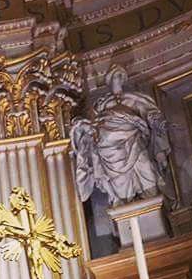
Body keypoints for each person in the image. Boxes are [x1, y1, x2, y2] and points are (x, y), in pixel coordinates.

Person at [70, 64, 174, 206]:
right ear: (109, 80)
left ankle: (152, 197)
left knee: (146, 168)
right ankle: (126, 201)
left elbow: (149, 114)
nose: (117, 79)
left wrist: (158, 122)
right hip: (110, 148)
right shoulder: (101, 105)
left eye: (120, 76)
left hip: (134, 139)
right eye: (115, 76)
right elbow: (97, 125)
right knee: (120, 183)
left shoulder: (134, 99)